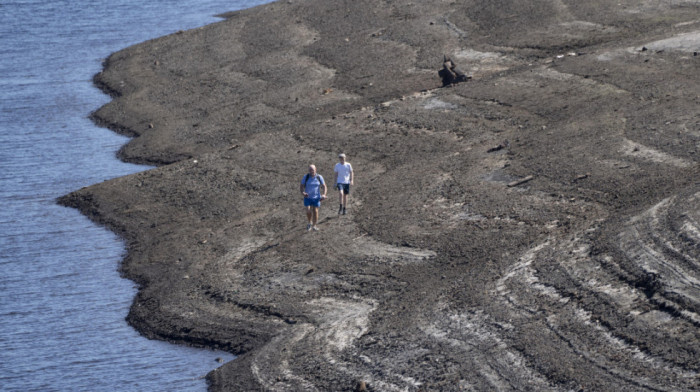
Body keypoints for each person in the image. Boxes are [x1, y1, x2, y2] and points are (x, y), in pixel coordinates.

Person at [300, 164, 327, 231]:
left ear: (315, 170)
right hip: (308, 197)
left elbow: (324, 186)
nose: (311, 171)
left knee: (315, 211)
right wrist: (303, 192)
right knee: (308, 211)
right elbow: (301, 186)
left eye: (312, 170)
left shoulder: (319, 177)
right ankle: (309, 222)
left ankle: (314, 225)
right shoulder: (306, 177)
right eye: (310, 170)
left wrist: (324, 194)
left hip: (316, 198)